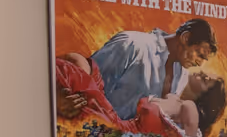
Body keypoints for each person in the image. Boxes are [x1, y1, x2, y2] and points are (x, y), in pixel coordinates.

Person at [55, 54, 226, 137]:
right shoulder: (174, 93)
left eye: (205, 81)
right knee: (78, 62)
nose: (202, 74)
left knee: (69, 71)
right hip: (117, 122)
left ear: (205, 98)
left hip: (115, 134)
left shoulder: (189, 109)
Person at [56, 19, 217, 122]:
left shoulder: (182, 74)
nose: (200, 63)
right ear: (186, 38)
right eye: (200, 54)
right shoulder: (132, 45)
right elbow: (83, 82)